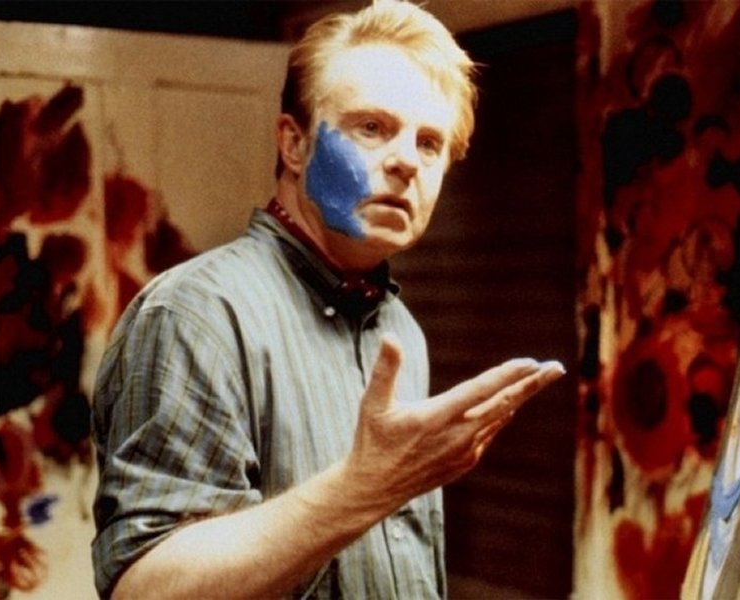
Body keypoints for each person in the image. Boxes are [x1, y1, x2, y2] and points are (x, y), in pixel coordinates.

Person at [90, 1, 566, 598]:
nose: (405, 162)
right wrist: (364, 489)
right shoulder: (197, 316)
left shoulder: (399, 329)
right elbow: (144, 590)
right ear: (295, 144)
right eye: (371, 128)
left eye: (429, 143)